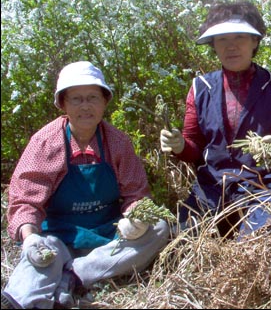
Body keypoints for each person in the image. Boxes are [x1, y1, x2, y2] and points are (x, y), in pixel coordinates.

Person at [1, 61, 172, 309]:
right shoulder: (45, 142)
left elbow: (136, 193)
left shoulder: (118, 142)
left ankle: (75, 276)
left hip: (107, 236)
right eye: (76, 99)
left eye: (92, 97)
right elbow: (25, 201)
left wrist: (135, 219)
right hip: (58, 236)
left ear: (105, 102)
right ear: (63, 104)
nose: (85, 106)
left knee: (158, 228)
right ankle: (24, 300)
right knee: (41, 258)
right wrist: (30, 238)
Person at [160, 0, 271, 239]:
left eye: (240, 37)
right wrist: (179, 145)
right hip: (212, 186)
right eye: (222, 39)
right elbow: (194, 146)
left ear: (255, 41)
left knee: (259, 241)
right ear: (213, 44)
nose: (231, 46)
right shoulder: (200, 88)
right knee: (180, 239)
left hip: (262, 186)